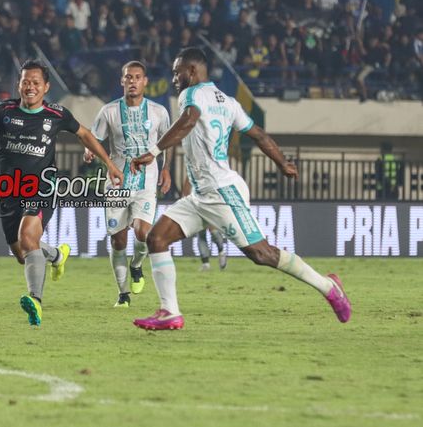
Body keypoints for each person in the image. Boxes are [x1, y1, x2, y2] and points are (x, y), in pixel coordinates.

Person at [130, 48, 351, 330]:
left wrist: (154, 149)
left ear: (193, 72)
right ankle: (170, 312)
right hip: (201, 195)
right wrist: (282, 162)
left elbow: (188, 120)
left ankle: (328, 286)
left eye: (177, 71)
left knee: (262, 255)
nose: (175, 78)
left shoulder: (190, 94)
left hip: (222, 193)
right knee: (157, 239)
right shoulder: (228, 101)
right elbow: (257, 133)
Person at [0, 59, 123, 326]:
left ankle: (35, 302)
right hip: (9, 190)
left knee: (27, 238)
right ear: (19, 84)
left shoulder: (56, 114)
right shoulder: (3, 111)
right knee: (21, 252)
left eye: (36, 83)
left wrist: (108, 164)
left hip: (42, 187)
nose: (30, 87)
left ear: (46, 87)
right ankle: (57, 255)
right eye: (26, 81)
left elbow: (84, 134)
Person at [83, 60, 171, 308]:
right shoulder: (109, 111)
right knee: (118, 241)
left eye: (137, 77)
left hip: (146, 182)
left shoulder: (158, 112)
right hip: (117, 184)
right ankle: (123, 294)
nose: (132, 81)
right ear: (122, 81)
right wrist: (89, 152)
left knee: (143, 234)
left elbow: (167, 142)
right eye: (128, 77)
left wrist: (166, 169)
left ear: (145, 82)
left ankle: (136, 265)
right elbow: (94, 139)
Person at [183, 179, 227, 271]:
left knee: (213, 230)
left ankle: (221, 251)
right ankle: (205, 263)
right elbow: (185, 192)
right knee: (201, 234)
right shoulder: (190, 175)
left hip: (209, 206)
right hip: (196, 207)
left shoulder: (208, 174)